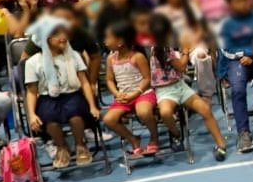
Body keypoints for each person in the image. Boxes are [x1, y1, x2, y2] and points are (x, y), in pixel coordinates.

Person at [148, 14, 228, 161]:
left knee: (205, 109)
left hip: (180, 87)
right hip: (164, 91)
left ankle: (221, 143)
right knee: (165, 112)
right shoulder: (161, 49)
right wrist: (185, 50)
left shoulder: (168, 47)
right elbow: (182, 67)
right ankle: (177, 134)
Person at [24, 17, 100, 169]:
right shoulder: (33, 62)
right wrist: (31, 114)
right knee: (49, 119)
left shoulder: (74, 56)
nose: (63, 37)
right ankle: (62, 147)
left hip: (72, 94)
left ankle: (80, 146)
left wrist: (92, 106)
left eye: (64, 34)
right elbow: (32, 91)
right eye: (58, 35)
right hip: (47, 97)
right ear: (47, 39)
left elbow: (84, 83)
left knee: (76, 115)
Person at [218, 0, 253, 153]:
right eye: (237, 1)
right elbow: (225, 49)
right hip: (236, 61)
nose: (242, 4)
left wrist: (252, 54)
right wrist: (243, 55)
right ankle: (244, 133)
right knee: (238, 90)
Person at [102, 21, 161, 158]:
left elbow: (147, 79)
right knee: (109, 119)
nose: (105, 41)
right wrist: (117, 93)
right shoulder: (111, 59)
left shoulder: (137, 57)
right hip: (123, 97)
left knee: (144, 112)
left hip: (142, 94)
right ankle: (133, 139)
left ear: (120, 42)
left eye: (108, 38)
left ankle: (154, 137)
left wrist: (136, 93)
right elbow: (109, 80)